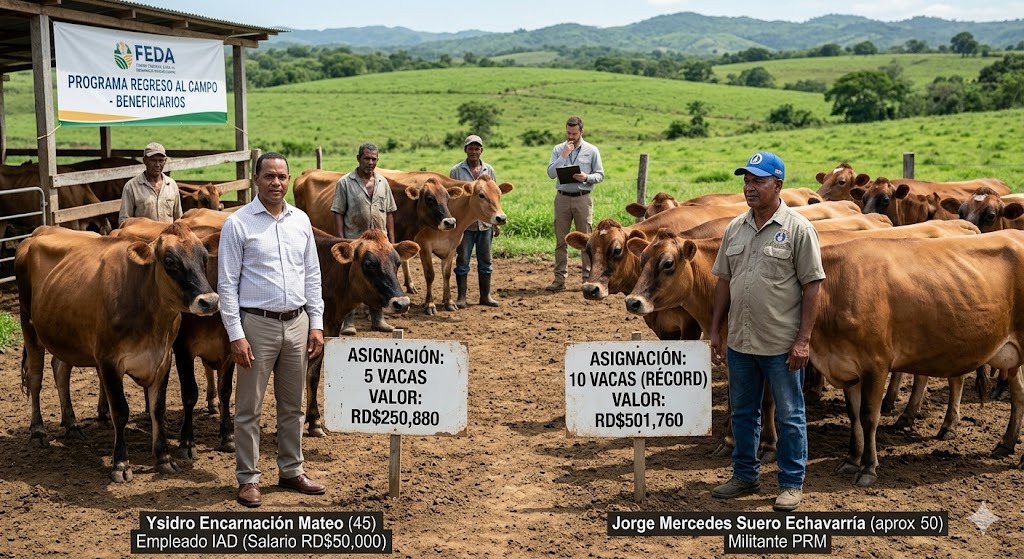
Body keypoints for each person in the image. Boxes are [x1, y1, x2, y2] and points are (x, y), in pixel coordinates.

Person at [708, 151, 824, 512]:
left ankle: (790, 483)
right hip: (741, 341)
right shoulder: (735, 228)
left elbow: (813, 287)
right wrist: (715, 329)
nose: (749, 187)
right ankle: (744, 475)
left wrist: (803, 340)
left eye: (758, 180)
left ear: (778, 184)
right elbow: (723, 281)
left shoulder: (798, 229)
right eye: (746, 180)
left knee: (790, 415)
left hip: (780, 344)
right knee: (743, 413)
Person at [218, 152, 327, 508]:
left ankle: (291, 469)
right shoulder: (238, 223)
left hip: (297, 323)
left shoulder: (301, 221)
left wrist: (316, 323)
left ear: (288, 179)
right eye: (269, 176)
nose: (276, 183)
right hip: (257, 324)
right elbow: (227, 284)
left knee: (293, 405)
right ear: (256, 180)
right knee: (249, 407)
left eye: (281, 176)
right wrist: (236, 334)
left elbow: (312, 275)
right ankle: (248, 478)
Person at [331, 142, 398, 335]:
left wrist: (391, 240)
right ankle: (348, 321)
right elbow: (338, 212)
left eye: (374, 159)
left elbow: (390, 212)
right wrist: (341, 240)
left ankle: (378, 319)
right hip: (356, 241)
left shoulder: (382, 182)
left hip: (379, 244)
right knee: (351, 283)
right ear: (358, 158)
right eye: (367, 158)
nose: (370, 162)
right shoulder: (345, 182)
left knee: (379, 279)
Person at [545, 115, 604, 292]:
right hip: (562, 198)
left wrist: (586, 177)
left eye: (574, 133)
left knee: (586, 241)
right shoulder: (558, 149)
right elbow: (551, 173)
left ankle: (587, 278)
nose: (571, 136)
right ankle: (559, 280)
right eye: (568, 133)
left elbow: (600, 175)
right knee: (561, 241)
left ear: (581, 131)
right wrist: (563, 156)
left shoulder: (592, 150)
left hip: (582, 198)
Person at [450, 134, 499, 308]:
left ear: (481, 150)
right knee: (462, 261)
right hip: (466, 226)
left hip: (485, 224)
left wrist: (494, 223)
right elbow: (454, 199)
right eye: (471, 148)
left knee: (485, 261)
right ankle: (461, 297)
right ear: (465, 150)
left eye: (477, 148)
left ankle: (485, 296)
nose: (474, 151)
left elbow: (494, 198)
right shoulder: (456, 171)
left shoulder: (489, 170)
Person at [118, 142, 182, 227]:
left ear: (165, 161)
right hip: (142, 234)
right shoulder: (132, 186)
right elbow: (124, 221)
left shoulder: (171, 185)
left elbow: (178, 218)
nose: (157, 165)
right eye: (153, 160)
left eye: (161, 160)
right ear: (145, 161)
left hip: (168, 234)